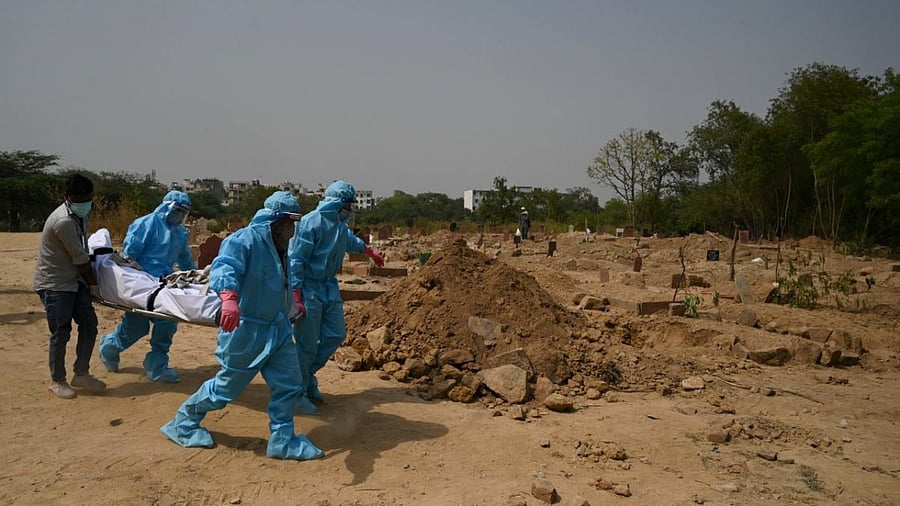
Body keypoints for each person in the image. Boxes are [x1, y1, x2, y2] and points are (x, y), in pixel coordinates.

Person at [161, 191, 323, 460]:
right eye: (288, 223)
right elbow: (225, 268)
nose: (292, 230)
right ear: (274, 221)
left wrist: (292, 305)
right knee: (226, 389)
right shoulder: (243, 241)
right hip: (247, 330)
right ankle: (184, 421)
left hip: (278, 328)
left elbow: (283, 282)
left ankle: (283, 439)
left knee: (290, 384)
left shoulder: (281, 248)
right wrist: (229, 298)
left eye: (295, 223)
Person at [289, 180, 384, 414]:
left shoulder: (339, 225)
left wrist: (369, 251)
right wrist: (296, 294)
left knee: (335, 334)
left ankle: (308, 374)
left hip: (329, 286)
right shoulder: (312, 223)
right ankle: (297, 392)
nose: (349, 210)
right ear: (335, 204)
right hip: (309, 287)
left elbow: (349, 242)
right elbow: (296, 260)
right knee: (307, 343)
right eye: (347, 205)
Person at [98, 191, 197, 383]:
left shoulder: (179, 232)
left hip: (164, 285)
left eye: (183, 212)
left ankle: (157, 366)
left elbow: (185, 259)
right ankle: (110, 347)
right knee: (136, 327)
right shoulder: (146, 224)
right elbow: (131, 255)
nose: (179, 215)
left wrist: (195, 276)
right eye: (177, 210)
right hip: (141, 284)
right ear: (166, 206)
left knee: (167, 323)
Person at [33, 173, 107, 399]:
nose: (85, 203)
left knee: (89, 324)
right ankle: (57, 380)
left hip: (74, 280)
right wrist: (95, 286)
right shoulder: (63, 221)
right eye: (80, 198)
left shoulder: (79, 216)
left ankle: (81, 374)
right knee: (61, 331)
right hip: (55, 283)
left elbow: (83, 251)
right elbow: (81, 259)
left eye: (88, 198)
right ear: (67, 197)